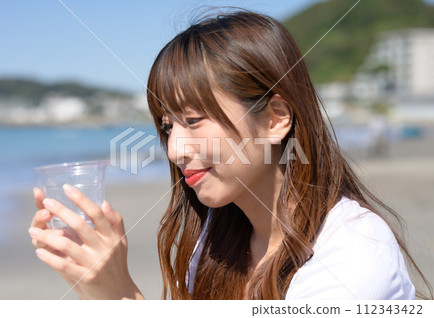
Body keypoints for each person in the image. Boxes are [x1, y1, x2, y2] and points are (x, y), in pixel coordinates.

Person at [29, 10, 431, 300]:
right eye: (167, 126)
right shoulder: (216, 237)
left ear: (276, 118)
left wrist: (118, 296)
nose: (174, 149)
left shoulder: (353, 254)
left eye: (193, 119)